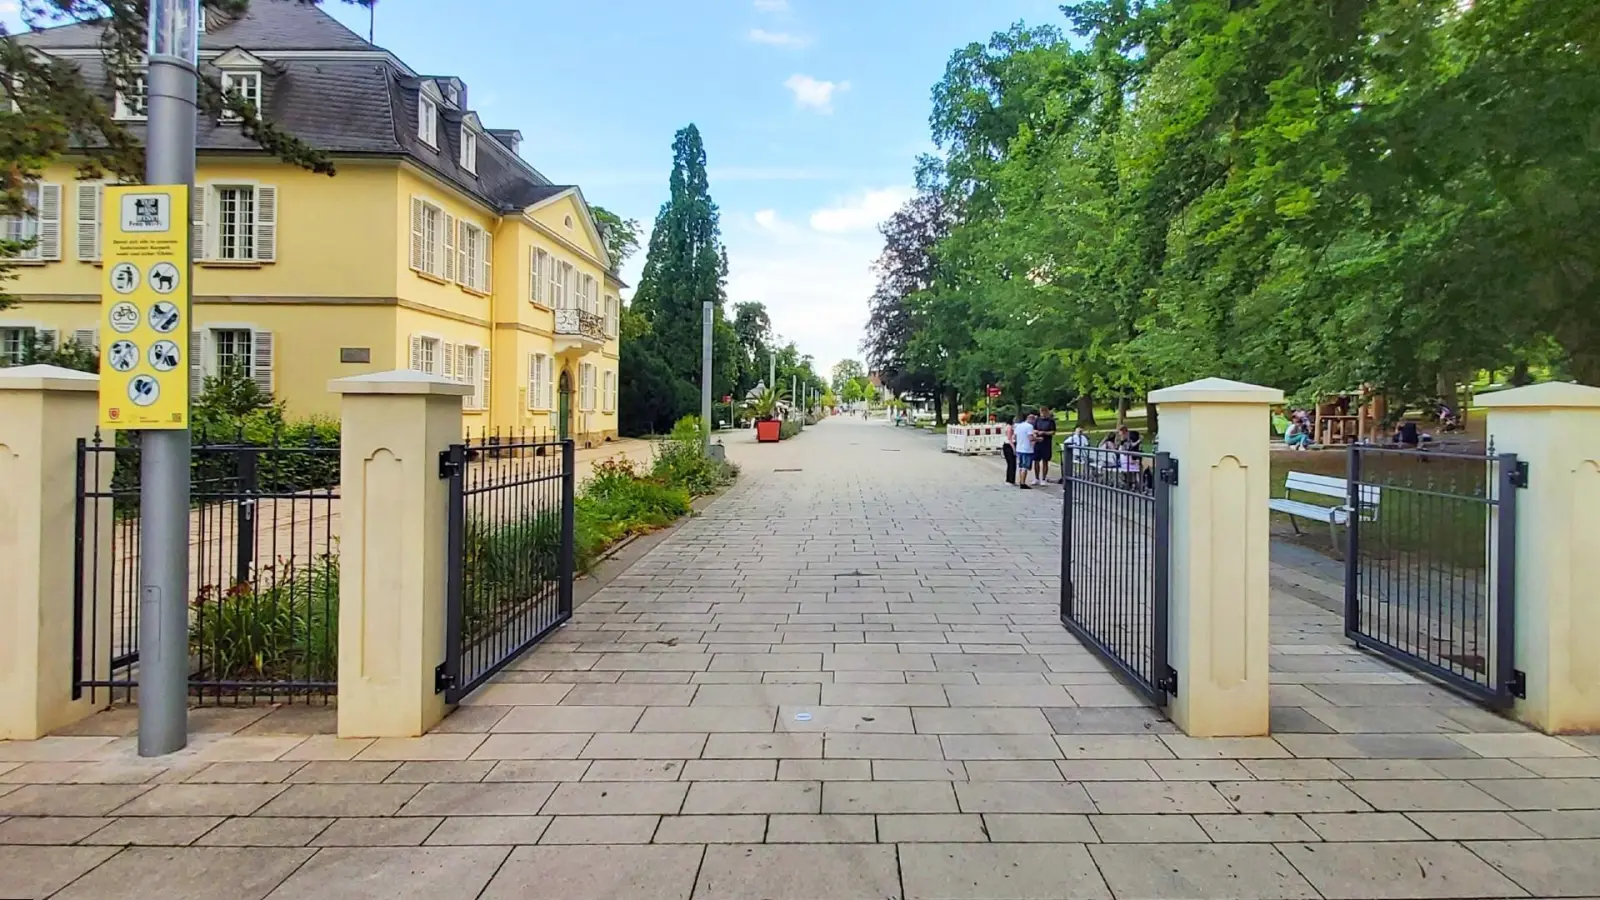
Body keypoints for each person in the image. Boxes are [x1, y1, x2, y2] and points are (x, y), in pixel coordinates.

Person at [1033, 406, 1057, 483]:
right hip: (1038, 442)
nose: (1042, 414)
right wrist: (1037, 432)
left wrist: (1044, 433)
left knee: (1045, 460)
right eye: (1041, 412)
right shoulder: (1037, 420)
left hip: (1046, 442)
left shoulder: (1050, 421)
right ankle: (1036, 478)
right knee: (1036, 460)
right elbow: (1033, 429)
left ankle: (1043, 478)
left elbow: (1053, 432)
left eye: (1044, 412)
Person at [1012, 413, 1037, 489]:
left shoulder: (1018, 426)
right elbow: (1030, 438)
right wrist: (1037, 439)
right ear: (1031, 419)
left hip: (1019, 448)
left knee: (1021, 465)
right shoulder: (1029, 427)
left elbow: (1015, 437)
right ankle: (1023, 483)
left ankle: (1021, 480)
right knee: (1025, 466)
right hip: (1026, 449)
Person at [1000, 415, 1017, 485]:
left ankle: (1010, 479)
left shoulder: (1007, 426)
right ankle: (1010, 480)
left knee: (1011, 464)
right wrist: (1014, 449)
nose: (1015, 420)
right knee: (1011, 463)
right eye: (1014, 419)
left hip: (1006, 445)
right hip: (1009, 445)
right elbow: (1010, 439)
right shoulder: (1009, 427)